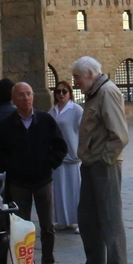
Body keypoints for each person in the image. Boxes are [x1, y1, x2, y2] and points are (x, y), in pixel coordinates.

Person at [67, 56, 130, 264]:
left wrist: (104, 159)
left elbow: (120, 136)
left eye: (77, 77)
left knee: (110, 218)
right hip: (91, 164)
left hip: (105, 165)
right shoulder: (95, 93)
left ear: (90, 74)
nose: (75, 83)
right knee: (87, 216)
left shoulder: (107, 93)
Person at [0, 82, 68, 264]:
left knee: (47, 226)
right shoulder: (7, 125)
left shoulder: (45, 120)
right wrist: (11, 169)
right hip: (19, 183)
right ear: (14, 99)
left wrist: (49, 164)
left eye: (29, 94)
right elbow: (0, 153)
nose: (26, 98)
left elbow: (60, 146)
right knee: (21, 226)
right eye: (21, 95)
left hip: (43, 180)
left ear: (33, 97)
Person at [49, 81, 83, 231]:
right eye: (58, 91)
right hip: (57, 155)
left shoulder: (76, 110)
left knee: (75, 189)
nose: (61, 94)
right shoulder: (53, 111)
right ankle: (63, 220)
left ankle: (79, 221)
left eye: (64, 91)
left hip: (72, 154)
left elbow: (82, 131)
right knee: (60, 189)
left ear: (70, 93)